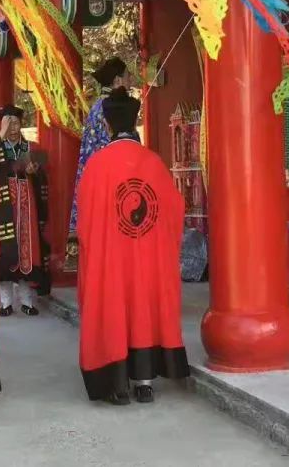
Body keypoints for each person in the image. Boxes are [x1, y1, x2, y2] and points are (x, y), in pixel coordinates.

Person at [75, 87, 188, 405]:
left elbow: (84, 223)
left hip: (111, 260)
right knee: (143, 310)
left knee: (114, 309)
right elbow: (175, 212)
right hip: (147, 258)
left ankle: (116, 382)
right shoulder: (154, 163)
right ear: (133, 123)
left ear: (108, 126)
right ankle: (144, 382)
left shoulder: (96, 167)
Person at [0, 104, 50, 317]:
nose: (13, 126)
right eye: (8, 122)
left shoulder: (31, 147)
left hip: (26, 205)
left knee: (27, 249)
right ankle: (5, 302)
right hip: (4, 206)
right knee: (6, 251)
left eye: (16, 122)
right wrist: (0, 136)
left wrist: (35, 171)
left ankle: (27, 301)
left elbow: (43, 168)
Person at [66, 57, 130, 269]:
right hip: (110, 179)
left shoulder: (98, 106)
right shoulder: (112, 107)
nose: (130, 80)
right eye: (128, 76)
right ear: (118, 80)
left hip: (95, 178)